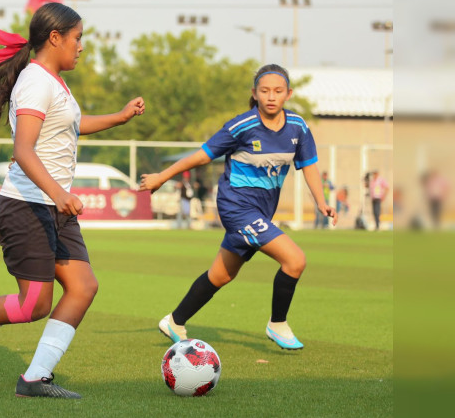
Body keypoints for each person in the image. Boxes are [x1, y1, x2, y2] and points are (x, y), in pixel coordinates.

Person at [0, 3, 145, 398]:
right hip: (27, 206)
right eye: (77, 39)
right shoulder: (37, 81)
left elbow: (73, 126)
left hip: (49, 207)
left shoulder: (53, 82)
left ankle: (35, 377)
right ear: (55, 38)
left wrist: (119, 117)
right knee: (33, 305)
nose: (81, 47)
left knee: (83, 287)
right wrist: (59, 194)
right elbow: (23, 149)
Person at [139, 64, 336, 351]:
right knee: (295, 260)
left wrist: (321, 202)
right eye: (264, 91)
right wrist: (162, 176)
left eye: (278, 91)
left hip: (260, 212)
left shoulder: (298, 127)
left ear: (288, 94)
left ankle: (175, 321)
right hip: (236, 208)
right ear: (254, 93)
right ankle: (277, 324)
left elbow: (309, 166)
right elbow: (202, 156)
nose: (271, 96)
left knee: (220, 276)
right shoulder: (241, 126)